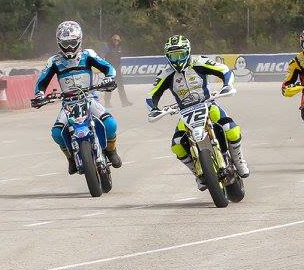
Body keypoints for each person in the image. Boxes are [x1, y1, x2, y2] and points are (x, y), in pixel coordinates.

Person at [146, 35, 249, 188]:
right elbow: (151, 95)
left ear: (187, 52)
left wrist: (227, 85)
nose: (177, 59)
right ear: (167, 56)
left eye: (180, 54)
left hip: (208, 105)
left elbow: (225, 70)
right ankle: (198, 172)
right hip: (185, 113)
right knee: (176, 145)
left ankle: (239, 160)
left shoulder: (199, 62)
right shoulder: (165, 73)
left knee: (231, 129)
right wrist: (153, 109)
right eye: (173, 56)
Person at [33, 20, 121, 172]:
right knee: (56, 133)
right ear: (58, 42)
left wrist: (109, 78)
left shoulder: (88, 54)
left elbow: (108, 68)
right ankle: (70, 158)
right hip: (68, 104)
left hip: (89, 98)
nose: (69, 47)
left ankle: (111, 150)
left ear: (79, 40)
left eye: (72, 42)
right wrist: (39, 94)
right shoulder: (53, 61)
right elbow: (41, 82)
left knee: (111, 124)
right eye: (65, 43)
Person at [102, 34, 132, 107]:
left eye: (118, 40)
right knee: (109, 86)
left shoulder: (119, 48)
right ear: (112, 40)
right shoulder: (107, 47)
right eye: (115, 39)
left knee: (121, 86)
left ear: (120, 41)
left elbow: (119, 58)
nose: (116, 41)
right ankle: (107, 103)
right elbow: (102, 56)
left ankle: (124, 102)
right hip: (110, 70)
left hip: (117, 69)